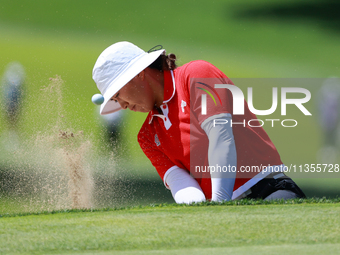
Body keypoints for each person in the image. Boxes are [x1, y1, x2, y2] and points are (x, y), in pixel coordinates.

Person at [92, 41, 306, 204]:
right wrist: (200, 215)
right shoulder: (147, 136)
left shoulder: (196, 75)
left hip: (267, 190)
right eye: (114, 100)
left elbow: (221, 138)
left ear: (138, 75)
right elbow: (181, 184)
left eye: (118, 94)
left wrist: (219, 204)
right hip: (225, 210)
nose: (121, 105)